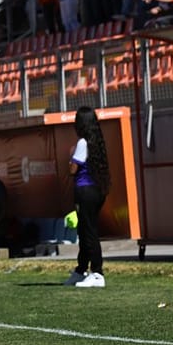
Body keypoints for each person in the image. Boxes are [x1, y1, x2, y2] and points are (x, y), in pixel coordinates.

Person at [64, 107, 111, 288]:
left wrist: (70, 157)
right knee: (84, 232)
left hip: (85, 191)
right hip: (96, 191)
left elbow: (72, 169)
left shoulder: (83, 143)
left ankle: (97, 272)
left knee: (89, 232)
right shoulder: (97, 142)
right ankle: (80, 270)